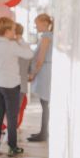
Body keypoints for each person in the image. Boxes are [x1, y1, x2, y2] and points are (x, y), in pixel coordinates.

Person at [0, 16, 33, 157]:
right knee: (12, 117)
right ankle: (12, 146)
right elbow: (29, 54)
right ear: (7, 31)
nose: (15, 32)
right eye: (13, 30)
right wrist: (20, 40)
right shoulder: (12, 45)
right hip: (11, 85)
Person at [28, 13, 53, 142]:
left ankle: (44, 133)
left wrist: (33, 73)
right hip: (47, 70)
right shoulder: (49, 36)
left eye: (36, 23)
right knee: (45, 104)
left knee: (45, 104)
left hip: (44, 72)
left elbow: (40, 59)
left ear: (44, 23)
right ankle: (43, 132)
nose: (35, 26)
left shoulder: (46, 37)